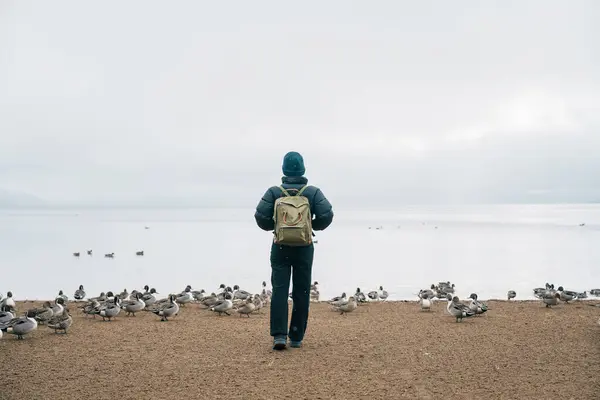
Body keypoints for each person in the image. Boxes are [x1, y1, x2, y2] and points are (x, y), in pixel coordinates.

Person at [254, 151, 333, 350]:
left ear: (283, 169)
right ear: (303, 169)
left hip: (280, 246)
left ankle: (280, 336)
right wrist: (311, 226)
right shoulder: (312, 192)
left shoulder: (274, 192)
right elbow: (327, 215)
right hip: (304, 246)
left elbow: (260, 217)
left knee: (279, 290)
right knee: (302, 290)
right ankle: (296, 337)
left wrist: (277, 227)